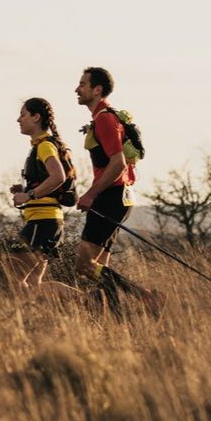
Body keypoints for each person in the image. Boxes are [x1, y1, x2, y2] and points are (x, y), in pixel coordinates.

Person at [74, 67, 165, 315]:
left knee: (84, 264)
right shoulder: (105, 117)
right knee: (99, 266)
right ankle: (117, 321)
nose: (77, 89)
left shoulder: (105, 119)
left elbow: (118, 163)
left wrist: (91, 194)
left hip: (110, 196)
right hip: (120, 196)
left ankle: (146, 296)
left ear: (97, 90)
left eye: (82, 84)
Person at [9, 97, 80, 297]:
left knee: (11, 279)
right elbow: (49, 181)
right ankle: (90, 299)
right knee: (34, 285)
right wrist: (24, 190)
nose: (18, 120)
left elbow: (58, 176)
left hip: (42, 223)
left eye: (23, 115)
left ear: (36, 117)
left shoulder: (44, 146)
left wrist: (29, 195)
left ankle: (87, 299)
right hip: (49, 222)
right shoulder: (42, 145)